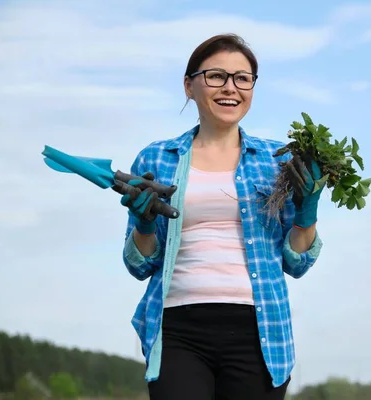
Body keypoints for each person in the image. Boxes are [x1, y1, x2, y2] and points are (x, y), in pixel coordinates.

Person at [120, 33, 324, 399]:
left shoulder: (279, 159)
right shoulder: (156, 158)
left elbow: (297, 262)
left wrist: (306, 214)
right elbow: (139, 264)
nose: (230, 87)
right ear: (189, 85)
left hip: (259, 330)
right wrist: (145, 224)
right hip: (178, 328)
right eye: (216, 76)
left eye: (242, 78)